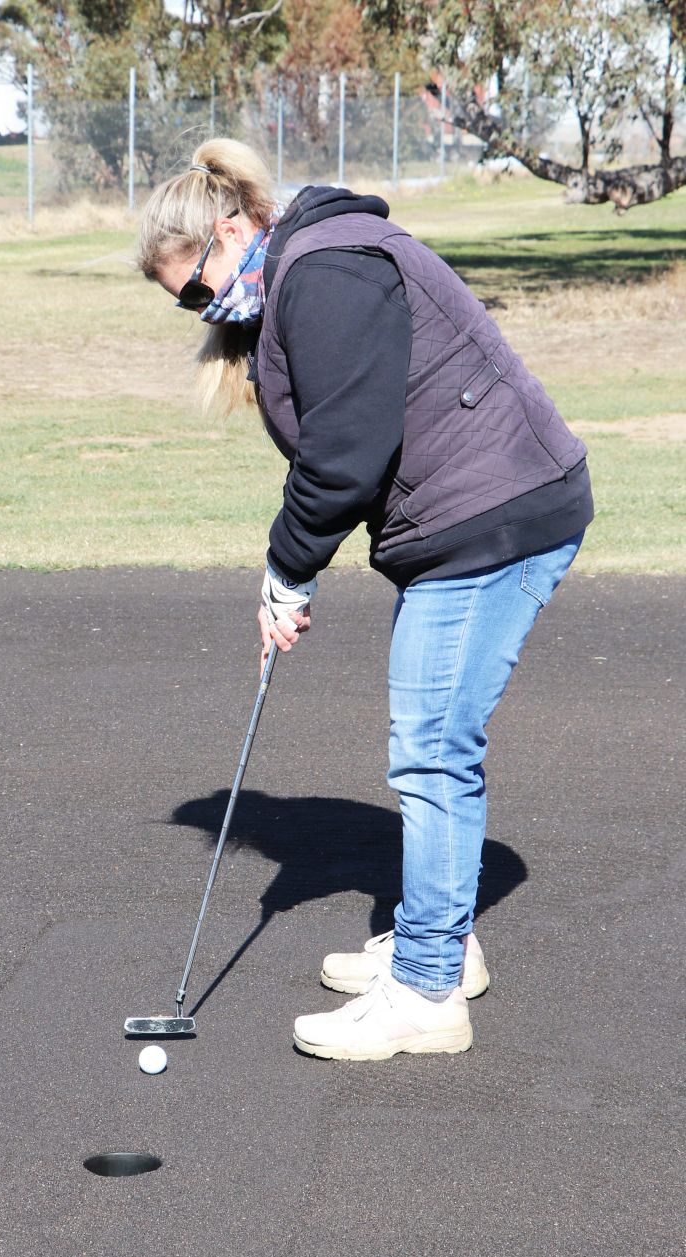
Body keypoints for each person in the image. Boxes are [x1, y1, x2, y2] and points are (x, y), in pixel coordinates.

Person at [136, 139, 592, 1063]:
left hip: (495, 518)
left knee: (430, 750)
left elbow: (344, 452)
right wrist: (290, 571)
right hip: (471, 517)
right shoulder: (298, 274)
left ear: (234, 228)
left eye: (196, 286)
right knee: (433, 742)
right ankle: (443, 943)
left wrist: (287, 570)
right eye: (182, 302)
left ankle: (425, 992)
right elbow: (339, 453)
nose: (200, 307)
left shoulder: (326, 268)